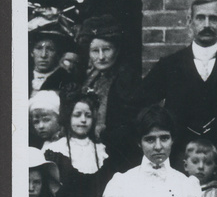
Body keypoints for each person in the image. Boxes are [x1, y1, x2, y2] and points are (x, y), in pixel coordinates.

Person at [140, 0, 217, 147]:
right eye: (200, 18)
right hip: (179, 157)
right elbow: (141, 105)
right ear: (190, 22)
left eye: (213, 19)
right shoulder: (169, 66)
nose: (207, 25)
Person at [77, 15, 149, 172]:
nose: (101, 57)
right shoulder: (91, 78)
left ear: (117, 50)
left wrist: (103, 136)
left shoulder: (126, 80)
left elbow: (131, 126)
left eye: (106, 49)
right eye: (95, 51)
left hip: (118, 156)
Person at [42, 91, 108, 175]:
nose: (83, 120)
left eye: (88, 116)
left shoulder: (100, 149)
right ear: (68, 117)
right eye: (77, 115)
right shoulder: (57, 148)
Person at [28, 10, 80, 97]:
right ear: (31, 52)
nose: (43, 55)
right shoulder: (21, 76)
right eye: (39, 48)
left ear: (58, 54)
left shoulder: (66, 82)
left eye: (50, 49)